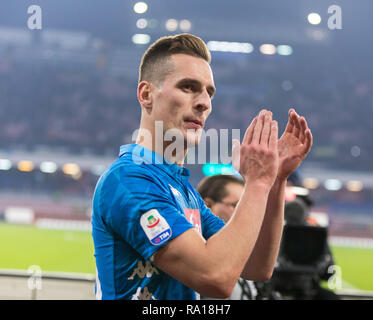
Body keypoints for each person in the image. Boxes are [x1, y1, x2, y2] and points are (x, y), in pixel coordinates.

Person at [91, 33, 313, 300]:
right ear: (146, 94)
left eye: (209, 92)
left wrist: (275, 181)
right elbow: (216, 278)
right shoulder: (128, 180)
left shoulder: (183, 189)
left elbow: (256, 265)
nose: (204, 103)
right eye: (188, 87)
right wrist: (256, 182)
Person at [197, 174, 258, 300]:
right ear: (208, 206)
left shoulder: (239, 253)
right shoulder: (193, 252)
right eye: (237, 206)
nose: (245, 214)